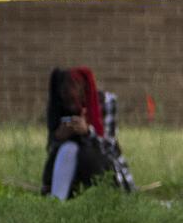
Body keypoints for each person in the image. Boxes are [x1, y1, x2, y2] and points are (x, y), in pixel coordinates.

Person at [43, 67, 123, 198]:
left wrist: (88, 132)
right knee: (69, 148)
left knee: (86, 153)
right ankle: (56, 201)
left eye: (74, 100)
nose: (71, 106)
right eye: (66, 101)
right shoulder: (56, 104)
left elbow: (110, 148)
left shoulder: (106, 102)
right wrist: (58, 137)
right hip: (69, 170)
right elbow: (50, 151)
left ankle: (99, 200)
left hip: (100, 165)